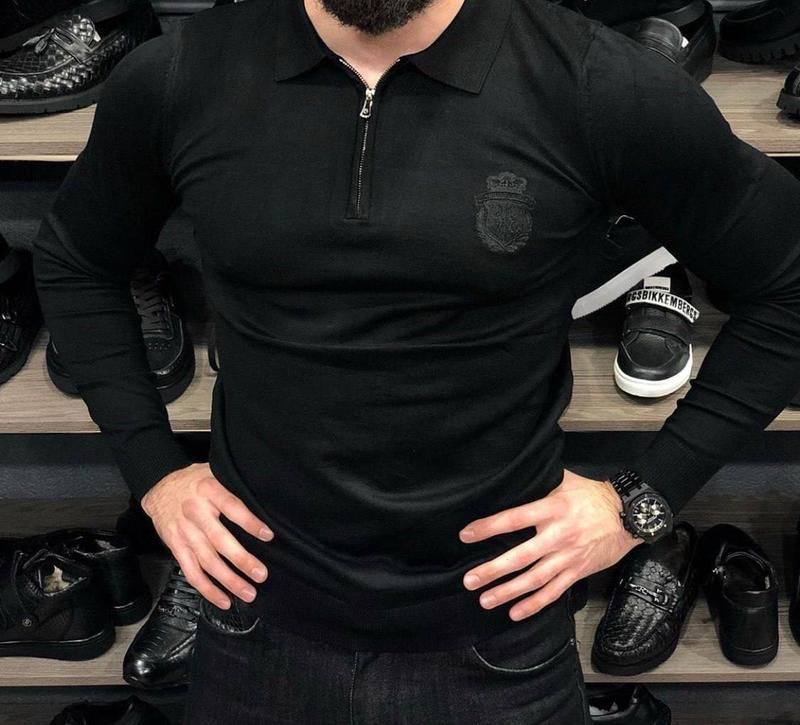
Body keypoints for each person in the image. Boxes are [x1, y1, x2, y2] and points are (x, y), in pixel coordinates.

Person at [33, 0, 800, 722]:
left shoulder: (590, 82)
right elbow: (76, 257)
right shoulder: (185, 75)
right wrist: (155, 475)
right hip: (253, 624)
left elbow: (788, 278)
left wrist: (642, 502)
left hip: (499, 640)